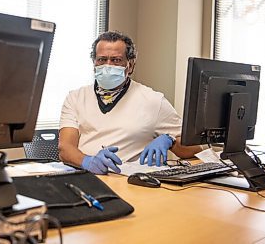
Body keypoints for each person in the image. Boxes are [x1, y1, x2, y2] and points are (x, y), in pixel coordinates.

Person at [58, 31, 201, 174]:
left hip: (132, 182)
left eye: (116, 60)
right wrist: (87, 161)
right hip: (86, 176)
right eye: (102, 60)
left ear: (130, 65)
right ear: (94, 63)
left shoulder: (153, 101)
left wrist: (170, 140)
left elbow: (194, 148)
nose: (108, 66)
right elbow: (65, 148)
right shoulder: (75, 98)